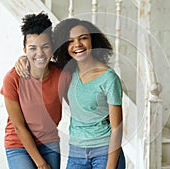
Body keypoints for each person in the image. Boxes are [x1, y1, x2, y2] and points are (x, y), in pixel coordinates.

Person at [16, 18, 125, 169]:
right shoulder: (67, 73)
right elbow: (41, 63)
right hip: (77, 152)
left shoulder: (109, 78)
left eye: (83, 38)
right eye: (70, 41)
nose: (77, 44)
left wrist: (111, 167)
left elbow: (117, 128)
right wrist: (23, 59)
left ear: (92, 41)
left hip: (104, 151)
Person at [0, 12, 70, 169]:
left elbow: (78, 105)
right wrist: (41, 164)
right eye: (32, 48)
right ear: (24, 49)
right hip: (18, 144)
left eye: (45, 47)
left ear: (52, 47)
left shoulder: (62, 75)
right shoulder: (12, 79)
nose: (39, 53)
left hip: (49, 141)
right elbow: (19, 127)